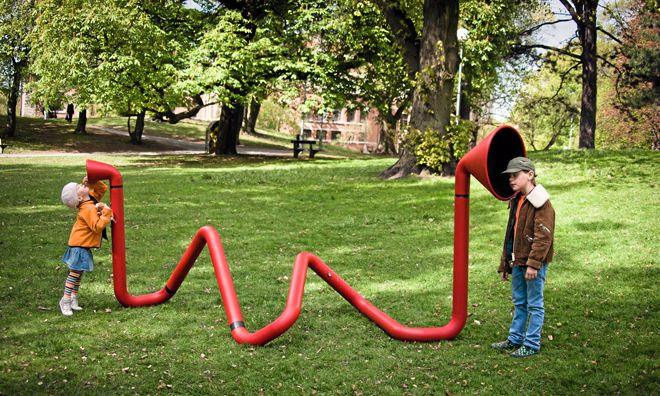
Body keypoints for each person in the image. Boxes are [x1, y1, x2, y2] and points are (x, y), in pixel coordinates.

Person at [491, 157, 555, 357]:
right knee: (519, 302)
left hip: (532, 263)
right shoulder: (517, 200)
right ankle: (515, 338)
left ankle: (532, 343)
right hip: (518, 261)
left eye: (515, 175)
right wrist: (506, 264)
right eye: (509, 176)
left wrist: (534, 264)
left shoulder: (541, 202)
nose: (511, 180)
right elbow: (511, 234)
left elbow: (543, 236)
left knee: (534, 303)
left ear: (530, 174)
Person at [59, 176, 113, 316]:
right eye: (78, 187)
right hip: (79, 246)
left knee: (79, 273)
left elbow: (102, 188)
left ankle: (73, 299)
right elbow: (97, 226)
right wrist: (107, 212)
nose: (81, 185)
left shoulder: (89, 199)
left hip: (81, 245)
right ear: (78, 197)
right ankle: (65, 300)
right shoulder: (87, 208)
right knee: (75, 273)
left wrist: (92, 182)